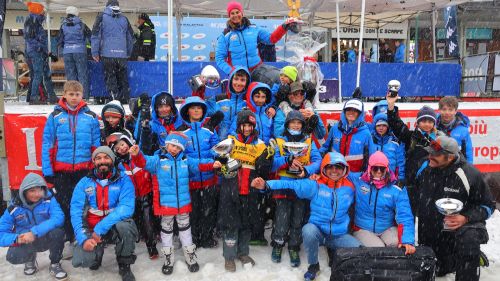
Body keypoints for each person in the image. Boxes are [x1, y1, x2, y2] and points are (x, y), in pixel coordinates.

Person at [251, 152, 362, 281]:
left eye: (338, 167)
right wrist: (266, 185)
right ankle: (313, 265)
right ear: (324, 168)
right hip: (318, 233)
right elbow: (291, 185)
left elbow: (371, 176)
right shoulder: (315, 184)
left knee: (360, 250)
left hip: (339, 235)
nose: (334, 171)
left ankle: (338, 258)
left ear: (344, 169)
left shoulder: (350, 185)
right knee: (308, 230)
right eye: (330, 167)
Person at [130, 132, 215, 275]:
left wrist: (214, 163)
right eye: (172, 145)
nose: (174, 149)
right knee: (167, 231)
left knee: (185, 230)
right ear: (166, 144)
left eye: (177, 147)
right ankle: (168, 258)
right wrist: (137, 154)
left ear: (182, 149)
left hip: (183, 204)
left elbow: (200, 163)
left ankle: (190, 255)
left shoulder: (186, 160)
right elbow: (143, 162)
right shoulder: (158, 160)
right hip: (166, 205)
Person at [415, 136, 495, 281]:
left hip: (460, 230)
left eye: (435, 154)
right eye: (430, 152)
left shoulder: (470, 174)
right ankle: (457, 258)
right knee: (438, 270)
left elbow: (488, 206)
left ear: (450, 157)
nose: (430, 156)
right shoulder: (424, 167)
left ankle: (470, 256)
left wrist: (465, 218)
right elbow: (411, 195)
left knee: (469, 239)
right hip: (431, 231)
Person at [42, 80, 101, 242]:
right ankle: (70, 236)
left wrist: (95, 168)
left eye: (77, 94)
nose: (74, 97)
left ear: (82, 95)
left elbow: (96, 146)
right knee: (65, 204)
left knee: (83, 204)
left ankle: (83, 234)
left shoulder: (90, 117)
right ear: (64, 95)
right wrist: (48, 172)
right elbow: (47, 145)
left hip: (84, 170)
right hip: (62, 172)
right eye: (71, 94)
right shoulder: (55, 117)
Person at [71, 146, 138, 281]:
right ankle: (97, 254)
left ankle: (124, 264)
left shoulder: (124, 179)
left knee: (126, 227)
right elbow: (75, 211)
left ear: (112, 160)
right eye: (98, 158)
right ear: (94, 162)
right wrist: (83, 238)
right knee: (81, 260)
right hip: (91, 228)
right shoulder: (84, 182)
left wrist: (100, 229)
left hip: (112, 227)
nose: (102, 161)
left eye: (106, 157)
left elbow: (126, 207)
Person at [217, 109, 272, 272]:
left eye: (250, 125)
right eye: (244, 125)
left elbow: (263, 171)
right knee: (231, 225)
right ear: (239, 125)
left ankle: (243, 252)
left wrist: (269, 157)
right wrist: (229, 165)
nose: (247, 129)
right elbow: (220, 167)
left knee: (246, 225)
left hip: (250, 192)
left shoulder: (261, 145)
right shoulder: (230, 140)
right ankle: (229, 256)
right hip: (231, 191)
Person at [270, 110, 321, 267]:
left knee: (298, 218)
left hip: (301, 186)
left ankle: (294, 246)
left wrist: (306, 171)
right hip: (283, 185)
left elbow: (318, 160)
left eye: (299, 123)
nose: (296, 125)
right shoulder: (279, 141)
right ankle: (278, 244)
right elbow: (272, 163)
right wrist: (288, 160)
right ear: (287, 124)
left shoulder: (309, 141)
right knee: (281, 219)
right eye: (293, 122)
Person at [0, 173, 67, 280]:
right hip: (26, 241)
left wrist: (35, 232)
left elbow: (59, 217)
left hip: (45, 237)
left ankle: (55, 263)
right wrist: (17, 238)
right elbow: (1, 233)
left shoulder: (49, 199)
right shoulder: (13, 208)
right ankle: (29, 260)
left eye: (39, 190)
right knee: (14, 256)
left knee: (58, 232)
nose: (36, 194)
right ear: (24, 191)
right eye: (32, 191)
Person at [386, 93, 444, 210]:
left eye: (430, 121)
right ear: (417, 122)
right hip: (411, 184)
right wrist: (391, 106)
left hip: (431, 185)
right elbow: (396, 125)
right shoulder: (411, 136)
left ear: (434, 123)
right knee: (409, 215)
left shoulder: (439, 140)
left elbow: (445, 159)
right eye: (423, 121)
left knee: (427, 218)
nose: (427, 124)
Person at [349, 151, 415, 253]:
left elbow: (405, 215)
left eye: (382, 168)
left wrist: (407, 241)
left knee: (398, 246)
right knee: (378, 250)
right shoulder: (358, 180)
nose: (379, 172)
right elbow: (337, 173)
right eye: (375, 168)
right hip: (363, 229)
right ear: (369, 168)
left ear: (387, 168)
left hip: (387, 228)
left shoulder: (397, 188)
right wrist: (318, 175)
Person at [177, 96, 220, 248]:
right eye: (193, 108)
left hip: (209, 181)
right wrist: (207, 164)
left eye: (199, 108)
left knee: (208, 211)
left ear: (203, 111)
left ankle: (207, 237)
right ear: (187, 111)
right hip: (191, 181)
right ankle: (194, 238)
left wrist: (220, 155)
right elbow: (183, 158)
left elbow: (216, 148)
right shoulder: (181, 133)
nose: (196, 110)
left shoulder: (209, 130)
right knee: (193, 213)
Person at [108, 133, 158, 259]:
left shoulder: (138, 156)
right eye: (117, 149)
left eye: (123, 144)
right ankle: (133, 243)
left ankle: (151, 246)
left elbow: (146, 146)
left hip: (146, 194)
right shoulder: (117, 166)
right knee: (134, 221)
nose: (122, 149)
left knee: (148, 221)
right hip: (130, 198)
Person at [216, 1, 297, 75]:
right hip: (238, 75)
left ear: (242, 13)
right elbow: (220, 59)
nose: (235, 15)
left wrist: (284, 27)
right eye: (232, 13)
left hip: (257, 72)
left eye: (237, 12)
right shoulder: (225, 35)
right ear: (229, 16)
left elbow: (271, 39)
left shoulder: (254, 29)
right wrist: (232, 71)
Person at [91, 0, 134, 104]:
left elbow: (95, 35)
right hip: (122, 54)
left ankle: (114, 98)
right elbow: (130, 37)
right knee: (122, 77)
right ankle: (125, 99)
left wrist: (95, 52)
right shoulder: (124, 19)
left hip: (107, 53)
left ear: (107, 6)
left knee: (110, 77)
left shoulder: (101, 17)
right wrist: (128, 52)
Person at [320, 98, 373, 176]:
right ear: (344, 112)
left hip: (355, 176)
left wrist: (365, 175)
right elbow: (325, 148)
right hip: (335, 174)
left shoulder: (366, 133)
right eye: (348, 109)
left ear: (360, 113)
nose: (351, 112)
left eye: (355, 110)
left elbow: (371, 157)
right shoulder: (335, 128)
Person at [24, 2, 57, 105]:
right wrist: (39, 48)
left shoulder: (36, 21)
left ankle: (51, 96)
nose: (44, 11)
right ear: (37, 10)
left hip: (40, 52)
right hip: (36, 52)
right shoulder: (32, 21)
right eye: (42, 9)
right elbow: (29, 39)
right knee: (38, 74)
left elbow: (39, 39)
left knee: (45, 74)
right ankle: (34, 97)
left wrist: (47, 52)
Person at [206, 66, 250, 140]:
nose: (238, 83)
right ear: (230, 80)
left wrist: (272, 108)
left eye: (242, 80)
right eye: (236, 79)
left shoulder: (249, 101)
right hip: (220, 144)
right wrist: (198, 94)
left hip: (241, 146)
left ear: (247, 82)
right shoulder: (219, 100)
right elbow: (199, 111)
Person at [58, 6, 91, 100]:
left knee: (71, 76)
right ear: (76, 13)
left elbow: (60, 40)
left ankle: (71, 96)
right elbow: (90, 37)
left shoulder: (63, 25)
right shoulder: (81, 24)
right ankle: (83, 97)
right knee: (82, 74)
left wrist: (61, 53)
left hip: (67, 52)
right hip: (80, 51)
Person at [369, 113, 406, 182]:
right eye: (378, 125)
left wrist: (400, 178)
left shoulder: (395, 142)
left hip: (391, 180)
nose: (381, 128)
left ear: (388, 127)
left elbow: (400, 162)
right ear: (375, 127)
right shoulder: (370, 141)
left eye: (384, 125)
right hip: (374, 178)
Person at [437, 96, 473, 163]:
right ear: (439, 110)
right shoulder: (433, 125)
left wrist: (469, 168)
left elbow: (468, 152)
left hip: (455, 165)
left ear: (455, 111)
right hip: (436, 164)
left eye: (450, 110)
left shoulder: (463, 130)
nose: (447, 113)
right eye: (444, 109)